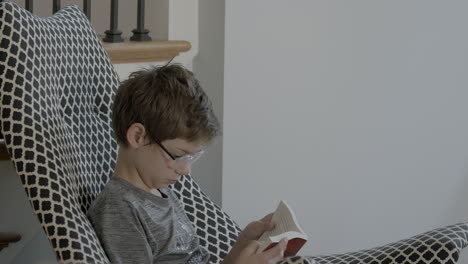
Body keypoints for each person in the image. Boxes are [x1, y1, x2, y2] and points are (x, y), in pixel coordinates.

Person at [87, 64, 288, 264]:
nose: (185, 170)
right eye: (178, 155)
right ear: (138, 136)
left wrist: (242, 244)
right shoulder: (119, 209)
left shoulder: (161, 191)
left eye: (192, 157)